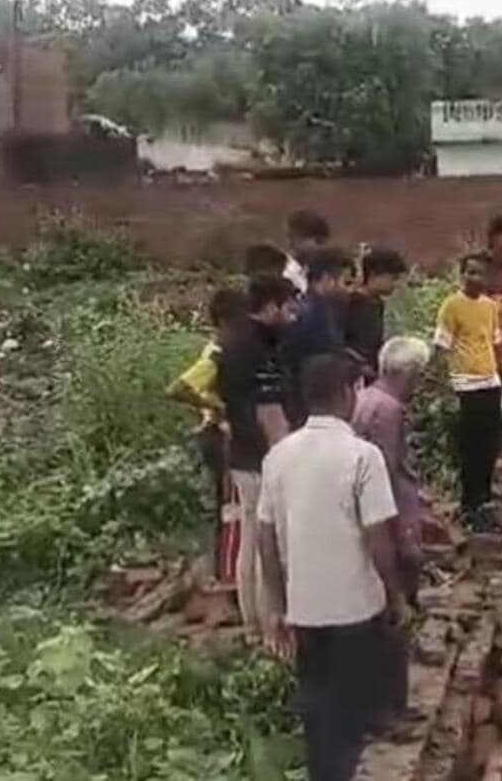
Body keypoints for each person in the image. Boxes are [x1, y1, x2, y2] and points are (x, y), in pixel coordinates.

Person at [256, 353, 409, 781]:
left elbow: (266, 538)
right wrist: (394, 596)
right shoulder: (362, 457)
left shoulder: (278, 457)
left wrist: (276, 604)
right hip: (355, 606)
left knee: (319, 708)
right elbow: (378, 537)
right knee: (352, 712)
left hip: (304, 607)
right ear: (346, 393)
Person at [351, 336, 430, 735]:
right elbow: (382, 478)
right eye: (420, 374)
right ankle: (386, 712)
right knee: (392, 614)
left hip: (378, 520)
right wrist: (404, 537)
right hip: (390, 522)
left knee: (383, 618)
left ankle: (390, 706)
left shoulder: (366, 399)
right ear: (409, 373)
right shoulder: (388, 410)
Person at [217, 274, 299, 643]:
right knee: (271, 543)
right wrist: (287, 462)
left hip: (241, 455)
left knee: (249, 540)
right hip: (265, 457)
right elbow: (270, 413)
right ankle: (272, 631)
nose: (295, 314)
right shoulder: (260, 349)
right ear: (271, 307)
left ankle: (252, 626)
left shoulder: (232, 343)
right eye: (290, 306)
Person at [167, 287, 249, 584]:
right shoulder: (217, 354)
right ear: (226, 322)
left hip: (215, 433)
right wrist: (219, 407)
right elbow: (178, 388)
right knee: (230, 508)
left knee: (225, 507)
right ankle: (226, 571)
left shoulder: (218, 349)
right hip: (219, 435)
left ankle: (224, 568)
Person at [435, 252, 502, 530]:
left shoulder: (491, 307)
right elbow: (442, 348)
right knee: (470, 447)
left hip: (489, 383)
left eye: (480, 273)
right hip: (464, 384)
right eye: (470, 272)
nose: (475, 278)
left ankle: (485, 498)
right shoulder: (452, 306)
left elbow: (498, 343)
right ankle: (469, 503)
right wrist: (445, 388)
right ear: (462, 275)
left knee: (490, 444)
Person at [284, 248, 355, 422]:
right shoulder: (312, 315)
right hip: (311, 406)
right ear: (326, 279)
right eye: (346, 282)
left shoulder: (323, 310)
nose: (350, 290)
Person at [346, 247, 408, 381]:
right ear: (374, 274)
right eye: (393, 278)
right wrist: (359, 366)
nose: (395, 284)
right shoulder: (350, 302)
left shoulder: (377, 304)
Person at [284, 210, 332, 294]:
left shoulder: (313, 273)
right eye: (317, 242)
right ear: (296, 238)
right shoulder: (282, 272)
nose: (321, 248)